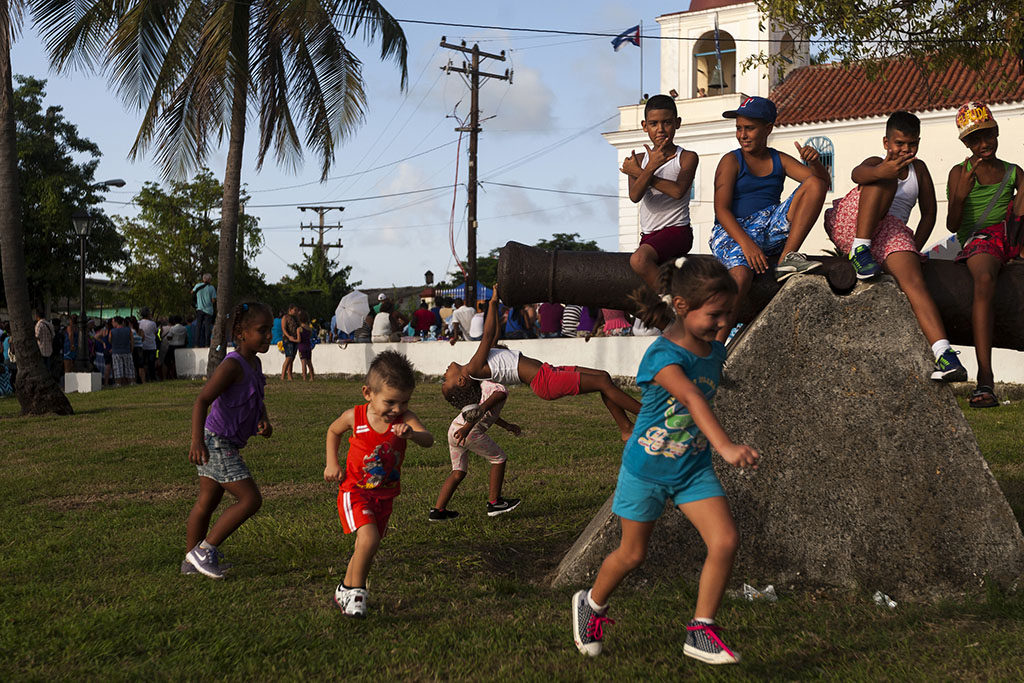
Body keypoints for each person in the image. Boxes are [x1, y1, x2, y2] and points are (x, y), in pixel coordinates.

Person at [571, 255, 759, 664]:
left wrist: (737, 276)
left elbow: (734, 289)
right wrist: (726, 446)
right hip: (646, 471)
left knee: (725, 540)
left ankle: (701, 630)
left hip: (691, 470)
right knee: (632, 555)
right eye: (715, 315)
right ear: (682, 307)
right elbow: (691, 397)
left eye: (728, 314)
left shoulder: (713, 348)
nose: (723, 323)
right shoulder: (662, 357)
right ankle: (592, 603)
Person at [824, 111, 967, 382]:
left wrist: (915, 246)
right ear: (886, 142)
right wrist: (883, 170)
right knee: (885, 176)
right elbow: (858, 174)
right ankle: (859, 249)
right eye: (899, 143)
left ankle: (944, 354)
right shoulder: (878, 161)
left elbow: (929, 214)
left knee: (914, 281)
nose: (905, 150)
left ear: (919, 143)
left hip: (891, 233)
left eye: (911, 144)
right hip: (855, 224)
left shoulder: (919, 169)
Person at [442, 285, 641, 442]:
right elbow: (487, 336)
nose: (444, 373)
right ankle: (646, 417)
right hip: (546, 381)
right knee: (603, 384)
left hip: (548, 373)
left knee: (603, 377)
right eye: (445, 379)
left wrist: (496, 303)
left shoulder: (477, 366)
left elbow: (493, 335)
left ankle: (626, 428)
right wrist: (493, 303)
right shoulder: (474, 368)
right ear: (461, 381)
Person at [324, 350, 434, 617]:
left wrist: (412, 434)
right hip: (355, 491)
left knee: (367, 546)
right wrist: (332, 463)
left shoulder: (404, 420)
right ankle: (357, 593)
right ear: (368, 393)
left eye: (404, 402)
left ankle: (344, 589)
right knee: (369, 539)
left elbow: (428, 438)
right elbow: (333, 431)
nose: (397, 409)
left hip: (385, 496)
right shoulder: (356, 416)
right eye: (391, 402)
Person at [710, 96, 828, 342]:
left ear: (767, 128)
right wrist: (746, 243)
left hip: (768, 225)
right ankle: (715, 348)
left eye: (749, 128)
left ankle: (787, 259)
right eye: (739, 128)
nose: (742, 135)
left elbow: (820, 184)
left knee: (814, 183)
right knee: (742, 275)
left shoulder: (779, 159)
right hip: (733, 230)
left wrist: (816, 164)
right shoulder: (732, 161)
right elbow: (721, 210)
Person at [183, 302, 274, 578]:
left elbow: (257, 396)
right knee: (250, 500)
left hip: (225, 442)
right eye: (262, 330)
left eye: (270, 330)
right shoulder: (232, 365)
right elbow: (202, 400)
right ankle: (204, 550)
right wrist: (196, 440)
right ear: (241, 332)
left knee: (207, 502)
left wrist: (263, 419)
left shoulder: (254, 363)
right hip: (216, 442)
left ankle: (190, 563)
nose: (269, 336)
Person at [945, 102, 1024, 407]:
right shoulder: (959, 172)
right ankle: (986, 379)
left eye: (987, 135)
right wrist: (961, 195)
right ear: (966, 143)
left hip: (1010, 237)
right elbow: (952, 225)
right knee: (985, 279)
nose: (983, 143)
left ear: (997, 131)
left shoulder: (1013, 172)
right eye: (974, 139)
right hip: (981, 239)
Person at [620, 94, 699, 292]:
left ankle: (674, 303)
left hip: (677, 230)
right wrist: (647, 168)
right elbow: (635, 195)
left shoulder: (687, 157)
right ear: (644, 126)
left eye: (667, 123)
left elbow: (678, 191)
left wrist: (642, 172)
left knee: (639, 260)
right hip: (649, 235)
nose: (660, 129)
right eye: (654, 124)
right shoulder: (637, 159)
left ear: (677, 123)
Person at [429, 379, 523, 521]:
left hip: (454, 429)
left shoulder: (482, 386)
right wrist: (466, 429)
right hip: (468, 431)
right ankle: (494, 503)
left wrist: (507, 426)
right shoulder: (499, 391)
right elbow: (482, 409)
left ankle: (438, 511)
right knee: (499, 458)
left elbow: (487, 411)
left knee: (458, 472)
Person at [109, 316, 135, 387]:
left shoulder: (112, 331)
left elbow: (110, 340)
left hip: (116, 351)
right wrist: (131, 349)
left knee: (117, 368)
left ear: (116, 322)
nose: (112, 323)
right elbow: (132, 341)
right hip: (127, 351)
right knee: (129, 368)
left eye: (113, 322)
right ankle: (131, 382)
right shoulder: (128, 330)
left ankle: (118, 383)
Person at [192, 274, 216, 347]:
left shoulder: (197, 286)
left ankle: (196, 344)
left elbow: (192, 292)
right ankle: (207, 344)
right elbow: (213, 300)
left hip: (199, 309)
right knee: (207, 328)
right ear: (209, 280)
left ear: (203, 279)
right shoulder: (212, 288)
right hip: (208, 310)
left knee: (198, 327)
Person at [138, 308, 158, 383]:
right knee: (151, 363)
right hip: (151, 345)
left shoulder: (138, 323)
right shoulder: (152, 323)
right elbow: (155, 332)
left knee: (142, 363)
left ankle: (143, 377)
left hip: (142, 345)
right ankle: (152, 377)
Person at [280, 304, 299, 381]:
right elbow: (284, 328)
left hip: (295, 339)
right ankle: (283, 375)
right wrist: (288, 336)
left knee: (292, 358)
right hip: (287, 339)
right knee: (289, 357)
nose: (296, 312)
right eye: (295, 310)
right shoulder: (285, 317)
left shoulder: (296, 319)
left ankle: (289, 375)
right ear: (290, 310)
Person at [34, 309, 54, 374]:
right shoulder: (50, 324)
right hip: (49, 349)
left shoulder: (38, 325)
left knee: (42, 368)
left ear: (37, 316)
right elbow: (53, 335)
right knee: (48, 367)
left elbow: (36, 336)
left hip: (41, 349)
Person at [297, 310, 315, 382]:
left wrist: (292, 339)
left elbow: (299, 340)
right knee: (309, 362)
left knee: (303, 363)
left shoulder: (299, 329)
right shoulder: (309, 328)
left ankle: (304, 377)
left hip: (301, 347)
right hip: (308, 346)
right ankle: (312, 377)